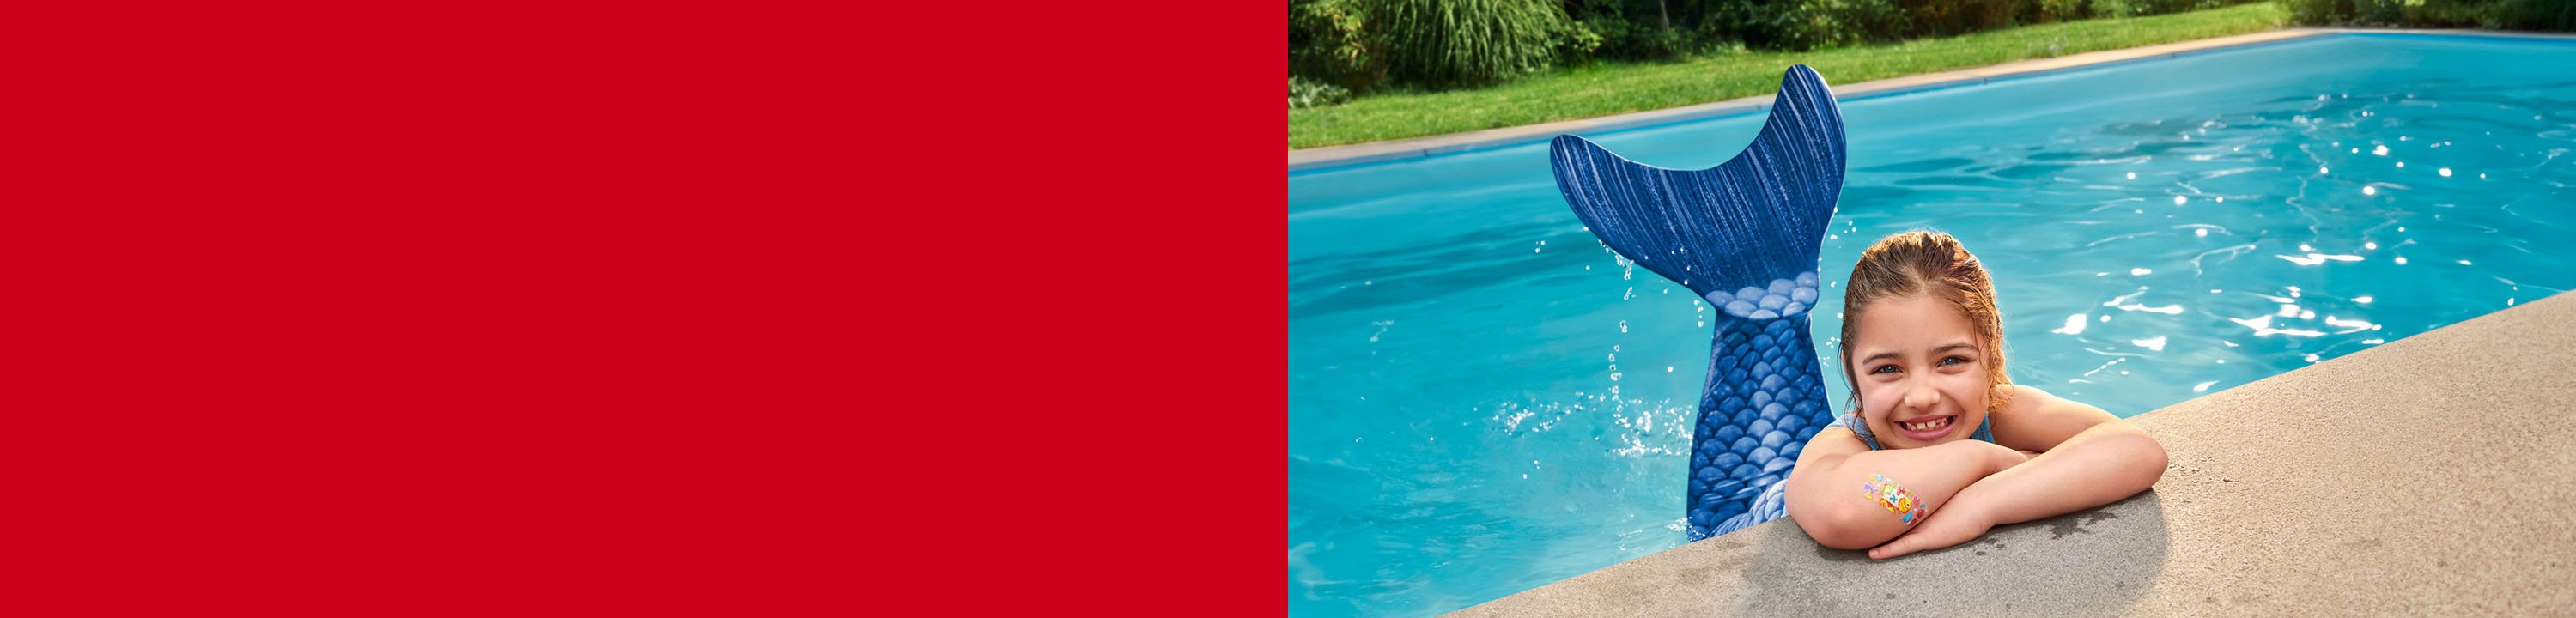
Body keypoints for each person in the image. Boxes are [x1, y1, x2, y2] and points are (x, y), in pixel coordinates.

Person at [1783, 230, 2167, 560]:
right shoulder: (1845, 443)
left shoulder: (1999, 410)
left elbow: (2137, 451)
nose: (1921, 396)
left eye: (1951, 360)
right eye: (1887, 369)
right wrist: (1984, 457)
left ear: (1991, 359)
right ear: (1853, 375)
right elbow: (1843, 516)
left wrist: (1982, 503)